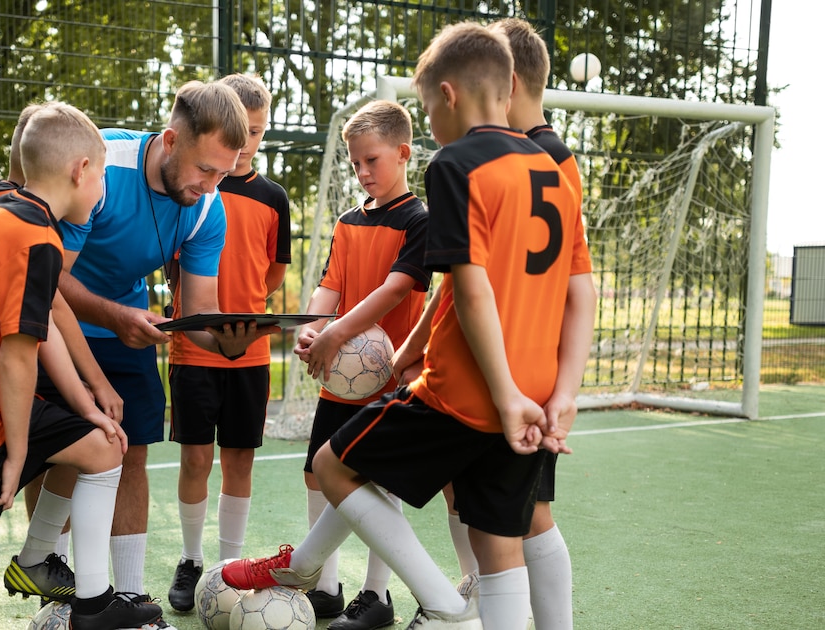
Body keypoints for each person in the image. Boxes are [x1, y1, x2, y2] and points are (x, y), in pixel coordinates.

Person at [219, 21, 596, 630]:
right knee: (500, 541)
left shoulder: (455, 166)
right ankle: (324, 573)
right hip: (536, 389)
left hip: (466, 393)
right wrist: (563, 394)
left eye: (426, 107)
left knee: (336, 464)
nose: (428, 125)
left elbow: (468, 291)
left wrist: (499, 397)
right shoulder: (555, 167)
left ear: (448, 95)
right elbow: (582, 293)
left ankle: (439, 604)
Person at [0, 102, 164, 630]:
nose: (105, 195)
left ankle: (90, 603)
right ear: (81, 171)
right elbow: (19, 353)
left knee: (103, 444)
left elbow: (49, 308)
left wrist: (90, 397)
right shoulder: (29, 233)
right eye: (103, 181)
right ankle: (56, 580)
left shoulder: (12, 217)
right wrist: (19, 451)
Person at [51, 80, 275, 597]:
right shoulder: (100, 166)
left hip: (123, 328)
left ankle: (129, 598)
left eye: (223, 172)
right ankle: (55, 588)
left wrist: (229, 341)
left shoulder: (206, 207)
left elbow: (199, 311)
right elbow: (45, 277)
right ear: (171, 141)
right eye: (205, 169)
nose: (212, 185)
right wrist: (115, 318)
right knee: (60, 452)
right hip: (56, 323)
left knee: (132, 453)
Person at [432, 17, 589, 630]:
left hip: (510, 370)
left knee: (529, 516)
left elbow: (488, 287)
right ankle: (474, 603)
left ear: (507, 80)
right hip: (525, 371)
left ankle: (469, 608)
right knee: (498, 509)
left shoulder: (532, 161)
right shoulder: (541, 158)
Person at [293, 99, 430, 630]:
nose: (363, 171)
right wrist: (313, 326)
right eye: (355, 164)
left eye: (372, 160)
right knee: (315, 475)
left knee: (378, 484)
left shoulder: (420, 220)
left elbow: (397, 289)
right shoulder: (349, 221)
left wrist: (336, 333)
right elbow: (331, 284)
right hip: (340, 379)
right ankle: (324, 587)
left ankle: (377, 596)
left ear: (403, 153)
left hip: (390, 376)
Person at [164, 73, 292, 612]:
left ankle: (227, 566)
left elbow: (275, 274)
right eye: (241, 129)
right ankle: (192, 560)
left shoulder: (273, 198)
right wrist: (204, 317)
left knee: (239, 459)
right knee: (196, 457)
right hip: (194, 349)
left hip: (251, 354)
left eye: (258, 133)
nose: (247, 144)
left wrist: (242, 320)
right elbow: (173, 264)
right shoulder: (192, 188)